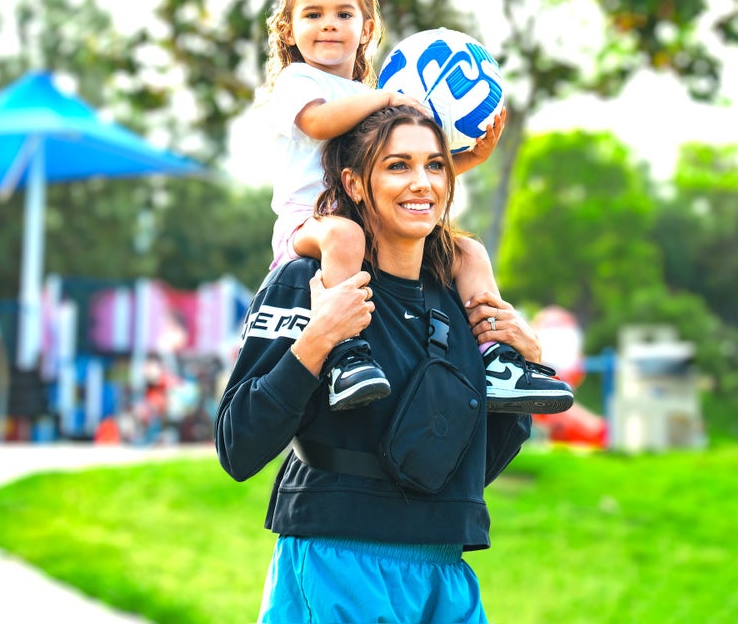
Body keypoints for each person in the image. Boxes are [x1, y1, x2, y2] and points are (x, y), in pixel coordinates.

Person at [217, 105, 542, 623]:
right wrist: (318, 339)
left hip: (445, 573)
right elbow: (238, 446)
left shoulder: (461, 302)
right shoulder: (308, 281)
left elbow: (471, 469)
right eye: (397, 165)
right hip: (335, 562)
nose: (422, 183)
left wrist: (525, 370)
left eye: (435, 165)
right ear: (355, 183)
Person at [260, 0, 572, 413]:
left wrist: (468, 157)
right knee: (344, 235)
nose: (328, 24)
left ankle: (497, 358)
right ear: (288, 30)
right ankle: (345, 356)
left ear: (367, 29)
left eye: (343, 14)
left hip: (369, 220)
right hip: (310, 224)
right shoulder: (299, 81)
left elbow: (399, 177)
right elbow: (318, 122)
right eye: (313, 15)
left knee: (467, 252)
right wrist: (386, 99)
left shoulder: (369, 97)